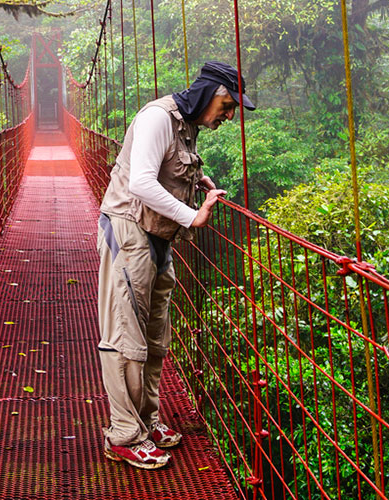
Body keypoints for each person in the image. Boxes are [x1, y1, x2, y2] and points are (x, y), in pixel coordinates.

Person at [95, 61, 255, 470]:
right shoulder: (156, 119)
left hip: (159, 238)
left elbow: (166, 170)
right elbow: (141, 184)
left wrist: (196, 182)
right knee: (125, 336)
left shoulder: (186, 125)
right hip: (130, 232)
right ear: (211, 92)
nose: (230, 113)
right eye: (228, 103)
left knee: (154, 337)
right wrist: (193, 215)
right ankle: (125, 434)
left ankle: (147, 420)